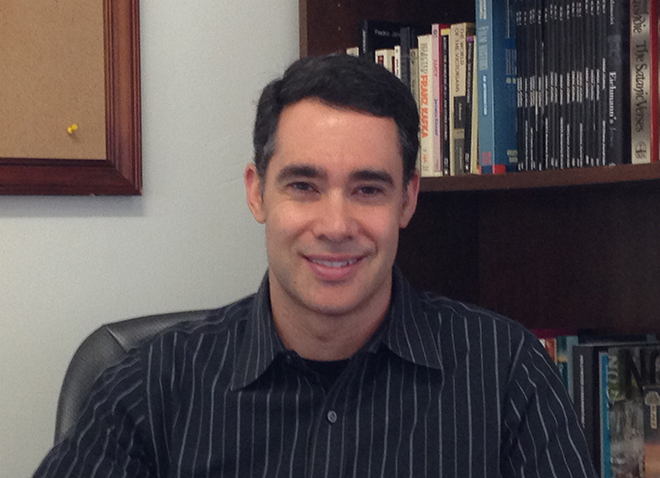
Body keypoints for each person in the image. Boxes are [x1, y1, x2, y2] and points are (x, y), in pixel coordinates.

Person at [34, 54, 596, 478]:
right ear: (257, 195)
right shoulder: (151, 386)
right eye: (303, 186)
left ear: (408, 199)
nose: (335, 224)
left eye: (368, 189)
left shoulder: (505, 374)